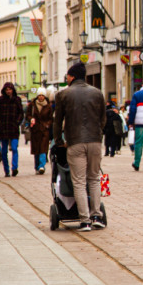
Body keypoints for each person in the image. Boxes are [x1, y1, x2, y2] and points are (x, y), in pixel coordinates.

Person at [53, 62, 108, 231]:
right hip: (95, 142)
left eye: (67, 76)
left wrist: (58, 141)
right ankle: (97, 216)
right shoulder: (97, 93)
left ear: (72, 76)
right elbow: (103, 119)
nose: (66, 79)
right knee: (94, 179)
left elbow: (58, 121)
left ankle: (84, 220)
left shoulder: (63, 94)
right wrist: (98, 134)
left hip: (75, 142)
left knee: (78, 181)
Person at [0, 82, 24, 177]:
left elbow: (21, 113)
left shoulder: (17, 100)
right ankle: (6, 170)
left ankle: (14, 168)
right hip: (3, 129)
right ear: (4, 90)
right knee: (4, 151)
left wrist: (17, 122)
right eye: (7, 90)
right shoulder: (0, 100)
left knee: (14, 148)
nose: (8, 91)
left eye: (10, 89)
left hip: (13, 128)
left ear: (13, 90)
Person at [26, 89, 53, 173]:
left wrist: (47, 125)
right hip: (35, 130)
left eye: (42, 95)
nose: (41, 97)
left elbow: (51, 118)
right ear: (37, 96)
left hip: (44, 130)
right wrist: (31, 119)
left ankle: (42, 166)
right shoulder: (32, 105)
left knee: (43, 148)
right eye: (39, 95)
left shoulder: (48, 106)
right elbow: (27, 115)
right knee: (36, 149)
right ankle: (37, 166)